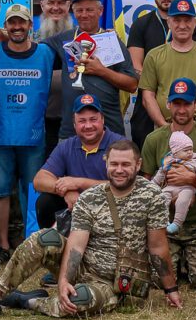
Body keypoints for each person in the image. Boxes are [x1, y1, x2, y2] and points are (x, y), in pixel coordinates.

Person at [0, 141, 180, 319]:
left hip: (112, 283)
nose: (119, 170)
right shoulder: (90, 197)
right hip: (82, 268)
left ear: (138, 165)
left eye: (126, 164)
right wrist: (63, 281)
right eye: (114, 163)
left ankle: (30, 301)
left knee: (77, 302)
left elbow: (158, 246)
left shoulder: (152, 196)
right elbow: (77, 244)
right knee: (45, 238)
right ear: (106, 163)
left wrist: (171, 289)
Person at [0, 3, 56, 249]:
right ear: (6, 26)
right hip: (0, 135)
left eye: (21, 22)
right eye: (12, 22)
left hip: (32, 137)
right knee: (0, 193)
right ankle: (2, 245)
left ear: (29, 25)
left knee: (33, 191)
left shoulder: (46, 52)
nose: (16, 27)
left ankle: (31, 244)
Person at [139, 77, 196, 283]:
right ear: (168, 105)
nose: (182, 109)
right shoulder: (154, 139)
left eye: (187, 103)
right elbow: (145, 184)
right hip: (163, 224)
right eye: (176, 103)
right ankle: (178, 260)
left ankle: (189, 261)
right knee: (160, 281)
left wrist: (193, 180)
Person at [49, 0, 138, 140]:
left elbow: (132, 84)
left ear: (100, 11)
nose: (85, 14)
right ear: (73, 12)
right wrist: (4, 38)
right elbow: (29, 48)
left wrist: (101, 71)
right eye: (80, 10)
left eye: (90, 10)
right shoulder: (63, 40)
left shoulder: (112, 41)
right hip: (71, 132)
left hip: (109, 131)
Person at [33, 93, 130, 229]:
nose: (88, 125)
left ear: (102, 120)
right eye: (82, 121)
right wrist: (66, 191)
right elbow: (39, 180)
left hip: (111, 206)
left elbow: (126, 186)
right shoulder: (67, 146)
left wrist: (78, 183)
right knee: (45, 202)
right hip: (76, 206)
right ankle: (53, 245)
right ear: (74, 124)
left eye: (93, 119)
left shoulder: (120, 145)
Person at [137, 0, 196, 134]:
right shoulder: (153, 56)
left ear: (195, 22)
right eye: (177, 20)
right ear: (169, 22)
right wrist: (164, 128)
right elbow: (147, 97)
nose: (182, 25)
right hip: (166, 126)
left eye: (187, 20)